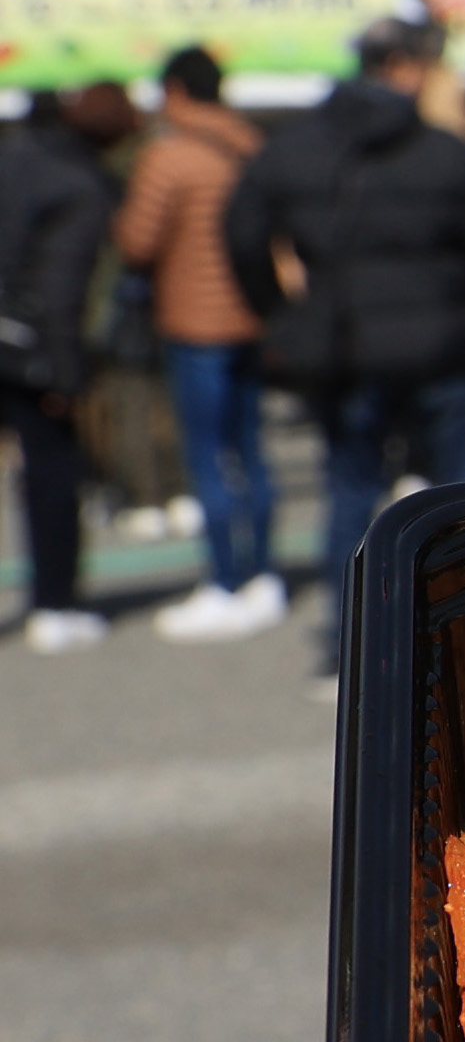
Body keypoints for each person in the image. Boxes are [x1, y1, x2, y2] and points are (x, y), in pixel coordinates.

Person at [221, 16, 465, 677]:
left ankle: (348, 647)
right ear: (404, 68)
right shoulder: (447, 154)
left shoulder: (292, 150)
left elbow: (242, 232)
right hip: (446, 344)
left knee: (350, 493)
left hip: (346, 348)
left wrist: (280, 312)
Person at [114, 42, 287, 637]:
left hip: (194, 321)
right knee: (253, 451)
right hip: (252, 317)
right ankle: (265, 573)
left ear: (176, 91)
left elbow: (137, 241)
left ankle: (225, 580)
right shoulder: (252, 144)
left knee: (208, 457)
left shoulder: (169, 155)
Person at [0, 84, 130, 649]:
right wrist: (65, 371)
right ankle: (55, 603)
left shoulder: (13, 161)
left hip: (12, 333)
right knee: (53, 473)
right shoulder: (76, 183)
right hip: (33, 346)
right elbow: (63, 286)